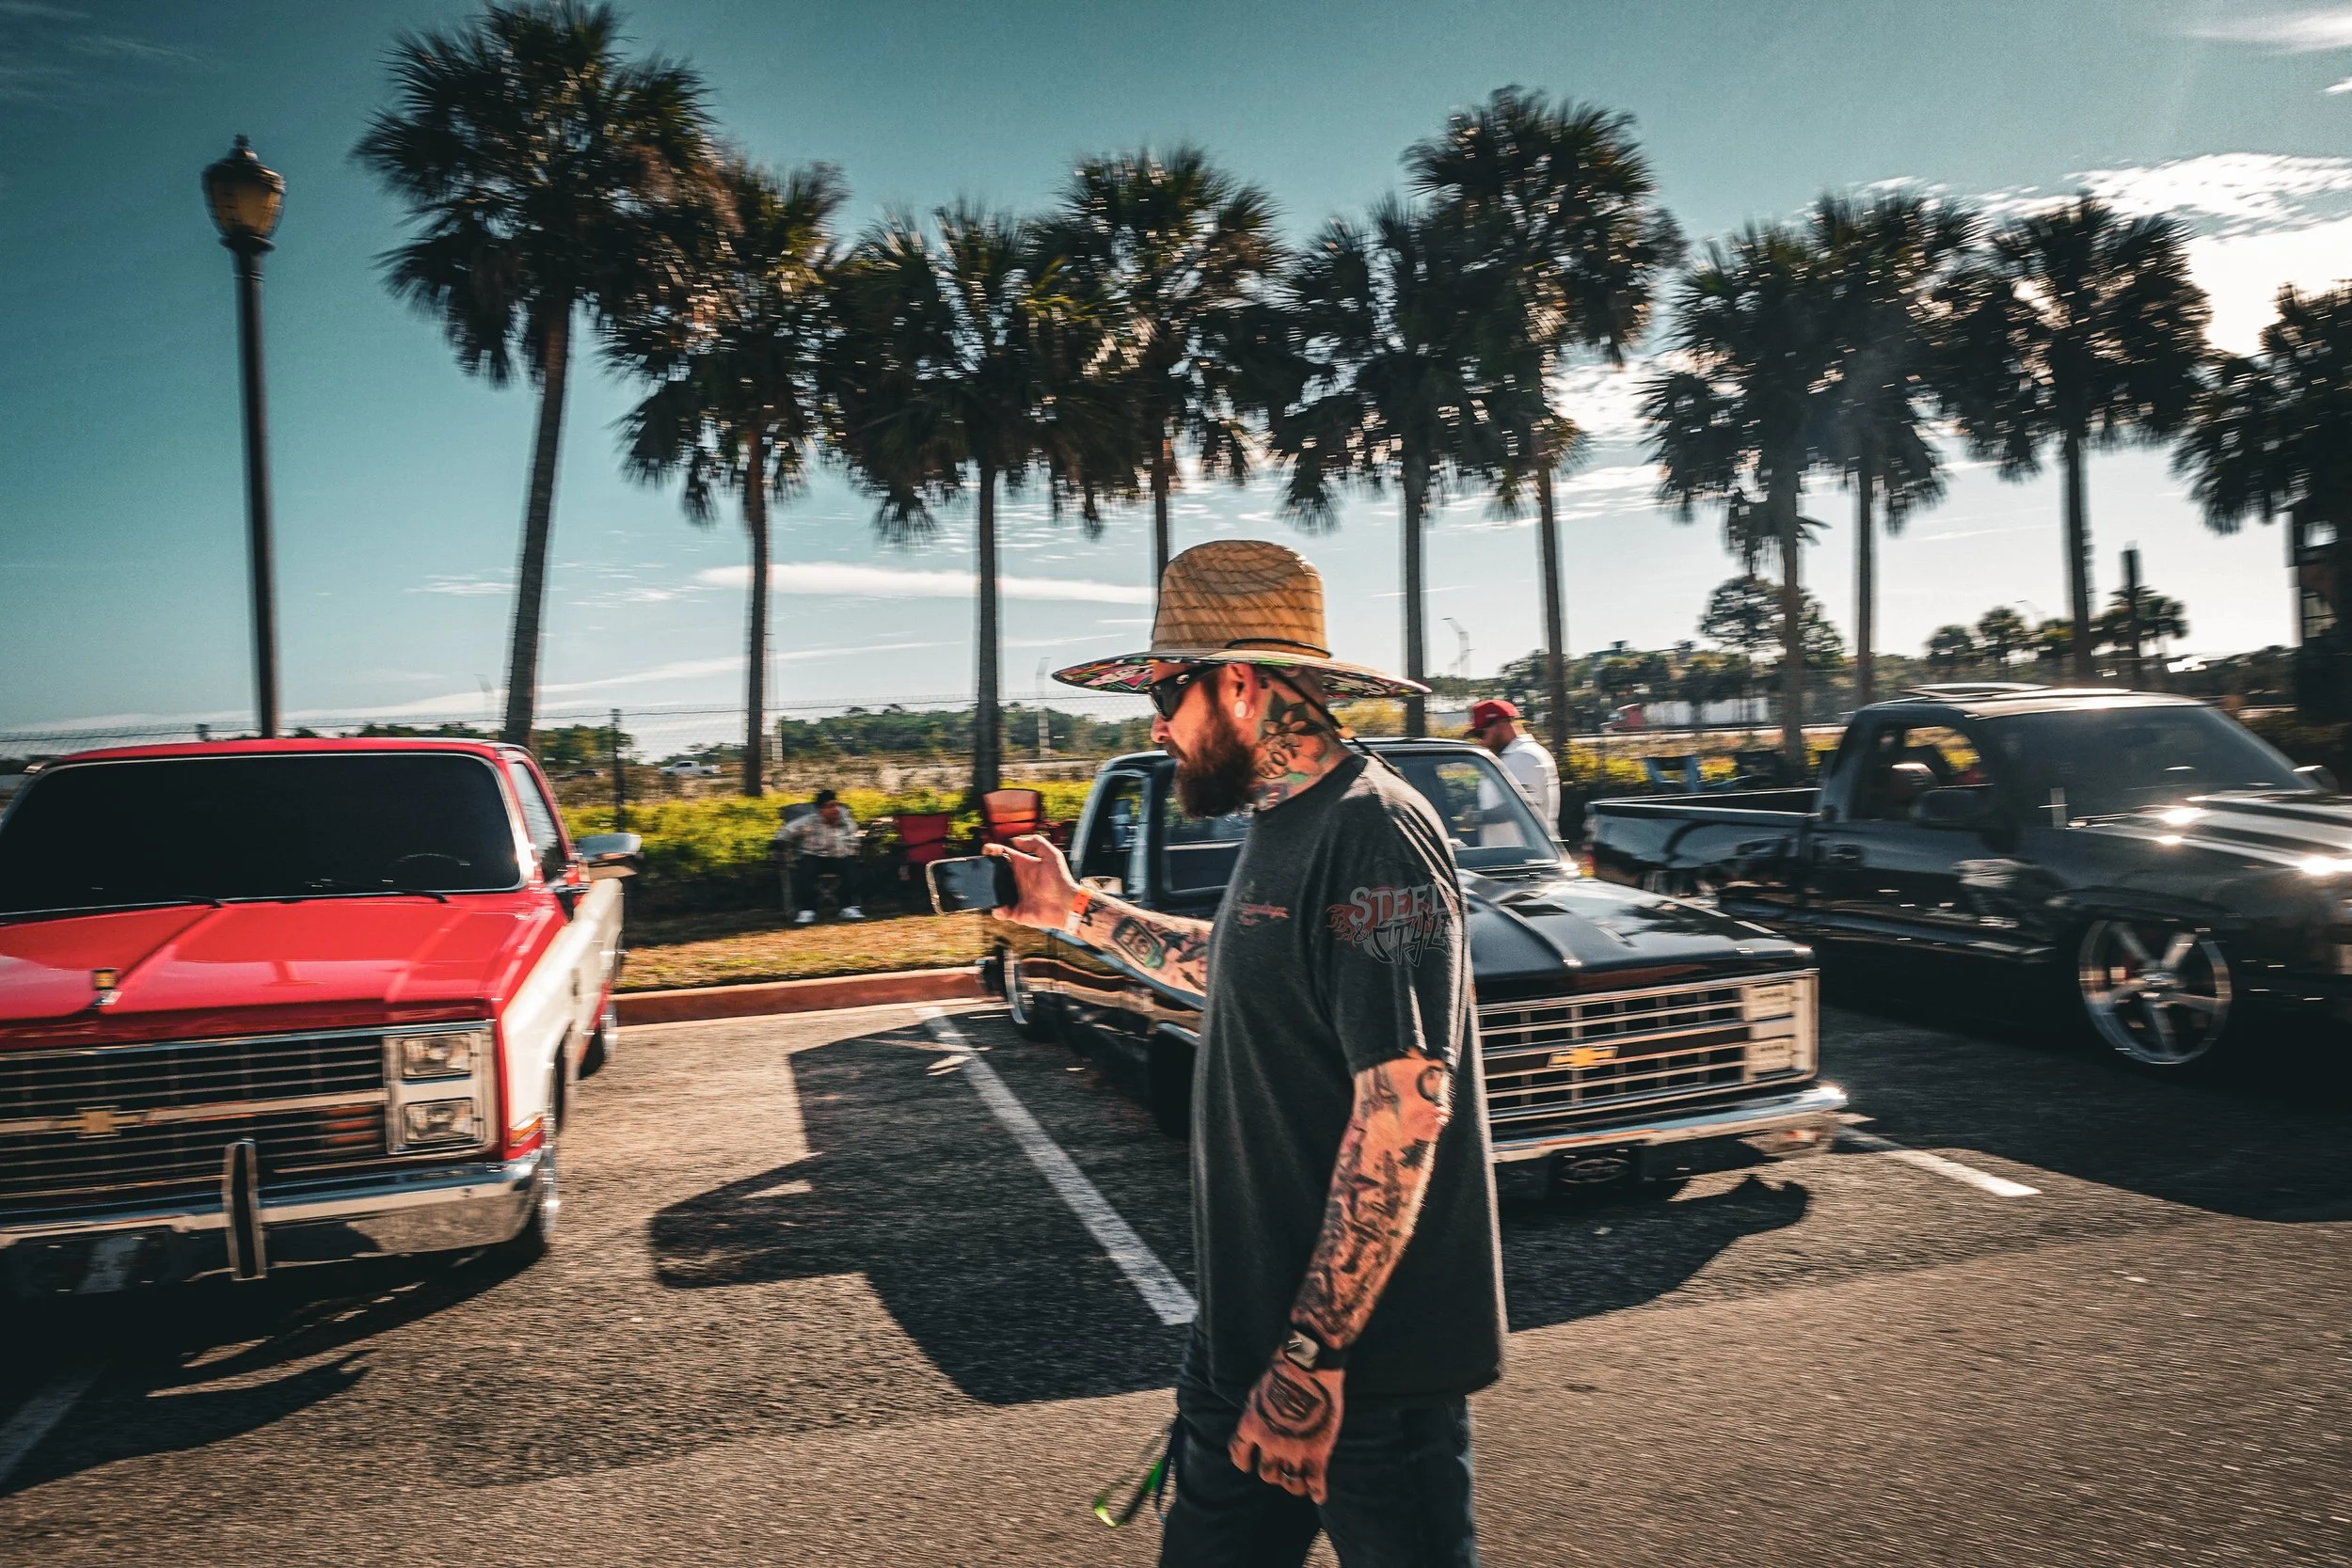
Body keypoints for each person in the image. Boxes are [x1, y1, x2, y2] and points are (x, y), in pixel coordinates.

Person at [993, 539, 1503, 1568]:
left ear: (1236, 683)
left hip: (1361, 1371)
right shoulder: (1279, 823)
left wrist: (1312, 1356)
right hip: (1243, 1342)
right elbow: (1233, 964)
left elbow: (1405, 1109)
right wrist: (1078, 911)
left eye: (1165, 693)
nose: (1154, 722)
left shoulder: (1374, 832)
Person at [1465, 698, 1558, 833]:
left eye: (1481, 734)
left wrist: (1478, 817)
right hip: (1509, 852)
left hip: (1530, 853)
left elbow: (1521, 807)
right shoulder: (1508, 756)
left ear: (1501, 726)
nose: (1482, 742)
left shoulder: (1526, 756)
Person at [775, 789, 864, 924]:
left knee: (851, 868)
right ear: (821, 809)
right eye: (830, 806)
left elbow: (854, 835)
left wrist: (853, 847)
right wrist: (782, 843)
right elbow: (786, 831)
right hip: (814, 856)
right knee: (805, 868)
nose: (835, 809)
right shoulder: (809, 821)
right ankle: (808, 910)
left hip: (839, 856)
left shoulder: (845, 820)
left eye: (836, 805)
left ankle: (848, 907)